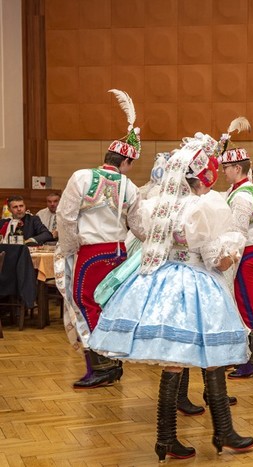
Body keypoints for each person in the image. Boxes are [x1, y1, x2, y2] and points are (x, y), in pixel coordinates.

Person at [88, 143, 253, 461]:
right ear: (202, 177)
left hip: (162, 281)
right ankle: (223, 431)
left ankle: (166, 438)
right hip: (195, 283)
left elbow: (145, 237)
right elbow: (215, 259)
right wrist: (233, 250)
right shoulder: (203, 207)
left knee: (173, 361)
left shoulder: (158, 205)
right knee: (213, 357)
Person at [55, 89, 146, 389]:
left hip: (91, 253)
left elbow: (65, 216)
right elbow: (139, 227)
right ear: (125, 162)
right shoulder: (130, 186)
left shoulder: (82, 177)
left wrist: (69, 247)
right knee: (111, 305)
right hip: (118, 252)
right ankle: (113, 363)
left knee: (86, 303)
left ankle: (103, 366)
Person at [218, 117, 253, 379]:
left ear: (237, 168)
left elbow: (237, 234)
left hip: (245, 254)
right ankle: (241, 356)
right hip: (246, 252)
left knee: (246, 306)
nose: (223, 172)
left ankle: (251, 362)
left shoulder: (244, 195)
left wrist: (228, 259)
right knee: (240, 305)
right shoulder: (238, 190)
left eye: (226, 167)